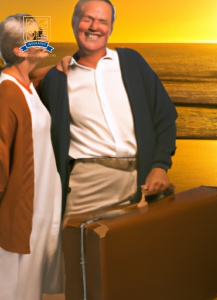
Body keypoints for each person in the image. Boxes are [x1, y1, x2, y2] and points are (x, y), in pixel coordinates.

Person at [37, 0, 178, 225]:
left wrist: (160, 166)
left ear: (110, 27)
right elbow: (15, 86)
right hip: (85, 184)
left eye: (103, 21)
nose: (95, 26)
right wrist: (49, 69)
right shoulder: (57, 78)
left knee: (132, 253)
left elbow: (164, 117)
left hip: (139, 181)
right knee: (77, 253)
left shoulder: (132, 61)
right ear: (74, 22)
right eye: (88, 19)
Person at [0, 14, 64, 300]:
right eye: (37, 36)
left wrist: (65, 64)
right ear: (18, 50)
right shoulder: (7, 93)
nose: (45, 40)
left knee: (31, 289)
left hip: (40, 209)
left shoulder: (26, 85)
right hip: (22, 211)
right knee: (15, 289)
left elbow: (35, 77)